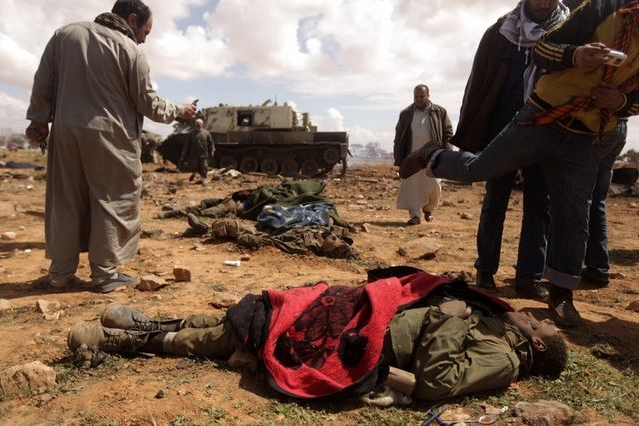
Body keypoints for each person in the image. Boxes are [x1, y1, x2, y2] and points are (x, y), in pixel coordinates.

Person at [400, 0, 636, 326]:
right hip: (535, 120)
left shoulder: (569, 15)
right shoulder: (600, 10)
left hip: (584, 135)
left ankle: (556, 292)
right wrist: (576, 55)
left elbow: (635, 101)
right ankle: (433, 157)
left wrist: (621, 102)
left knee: (569, 215)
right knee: (480, 173)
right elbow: (540, 52)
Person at [66, 270, 567, 402]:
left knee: (247, 336)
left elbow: (438, 380)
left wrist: (450, 316)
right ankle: (151, 324)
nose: (528, 314)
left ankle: (130, 340)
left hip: (359, 343)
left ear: (537, 345)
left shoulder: (503, 359)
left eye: (536, 323)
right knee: (263, 312)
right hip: (366, 312)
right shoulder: (497, 324)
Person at [24, 0, 197, 293]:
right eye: (146, 31)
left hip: (65, 132)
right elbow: (148, 103)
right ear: (133, 19)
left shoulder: (65, 35)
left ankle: (60, 275)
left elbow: (43, 81)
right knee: (111, 201)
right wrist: (180, 110)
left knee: (65, 201)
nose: (145, 39)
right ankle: (105, 275)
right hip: (112, 137)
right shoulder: (131, 50)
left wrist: (39, 121)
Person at [452, 0, 570, 299]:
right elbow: (478, 84)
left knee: (539, 205)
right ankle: (485, 270)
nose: (544, 4)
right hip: (502, 131)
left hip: (547, 130)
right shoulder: (501, 32)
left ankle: (529, 278)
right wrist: (474, 131)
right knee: (495, 202)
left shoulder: (569, 30)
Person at [393, 85, 453, 225]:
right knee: (412, 185)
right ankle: (415, 215)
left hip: (433, 155)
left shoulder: (439, 112)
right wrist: (399, 158)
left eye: (422, 96)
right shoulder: (406, 113)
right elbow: (399, 136)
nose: (419, 99)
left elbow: (448, 132)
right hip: (412, 156)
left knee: (434, 184)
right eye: (416, 97)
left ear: (428, 95)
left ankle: (429, 210)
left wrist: (447, 151)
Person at [582, 119, 627, 286]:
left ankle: (562, 267)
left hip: (597, 128)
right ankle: (598, 268)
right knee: (597, 201)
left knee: (578, 197)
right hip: (619, 128)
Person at [181, 118, 214, 185]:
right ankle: (195, 174)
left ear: (202, 124)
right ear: (195, 124)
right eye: (197, 124)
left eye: (199, 124)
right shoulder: (191, 134)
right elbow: (187, 144)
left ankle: (202, 180)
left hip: (204, 153)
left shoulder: (206, 133)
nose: (198, 125)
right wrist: (184, 152)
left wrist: (212, 150)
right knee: (195, 166)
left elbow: (211, 142)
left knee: (204, 166)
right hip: (194, 154)